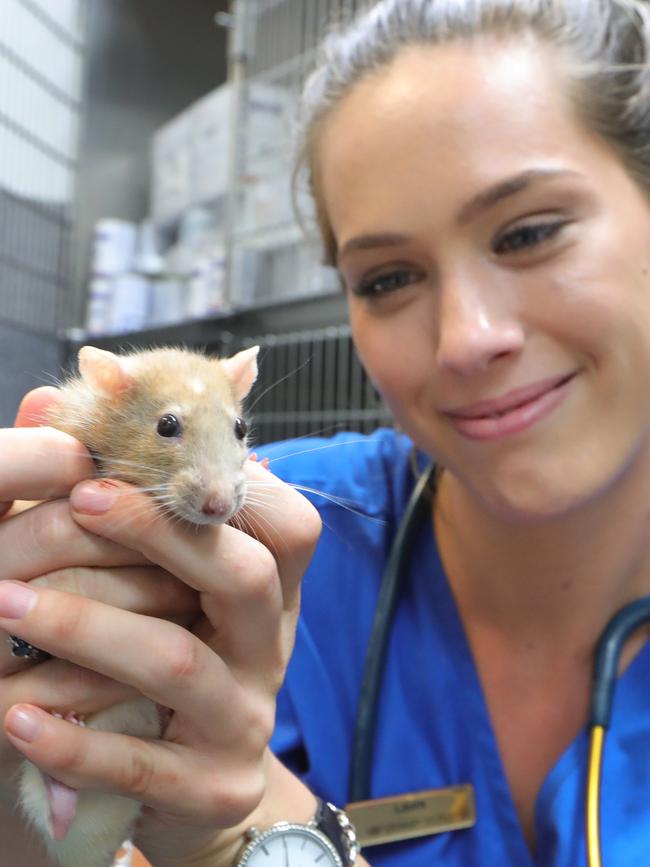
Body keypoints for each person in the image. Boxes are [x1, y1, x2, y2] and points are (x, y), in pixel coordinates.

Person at [3, 0, 650, 864]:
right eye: (387, 277)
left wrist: (251, 827)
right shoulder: (271, 534)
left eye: (528, 232)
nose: (466, 338)